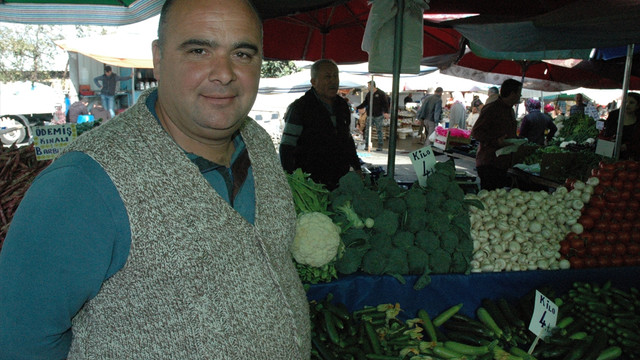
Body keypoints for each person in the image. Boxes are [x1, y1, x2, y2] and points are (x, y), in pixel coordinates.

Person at [0, 0, 311, 358]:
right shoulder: (83, 185)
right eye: (199, 50)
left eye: (242, 53)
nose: (224, 73)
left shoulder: (256, 141)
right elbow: (19, 338)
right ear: (159, 59)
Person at [280, 59, 362, 190]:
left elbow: (347, 140)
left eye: (335, 76)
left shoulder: (342, 106)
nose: (333, 81)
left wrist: (357, 167)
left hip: (339, 179)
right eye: (327, 77)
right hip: (310, 182)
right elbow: (286, 147)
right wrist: (290, 179)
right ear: (314, 82)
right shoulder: (300, 108)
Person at [471, 79, 522, 191]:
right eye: (519, 93)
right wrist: (496, 141)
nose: (520, 96)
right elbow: (476, 132)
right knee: (489, 197)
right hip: (489, 163)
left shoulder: (510, 110)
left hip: (502, 163)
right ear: (513, 94)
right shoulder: (492, 109)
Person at [603, 92, 640, 159]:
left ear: (638, 106)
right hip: (609, 154)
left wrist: (628, 146)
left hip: (630, 159)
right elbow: (605, 133)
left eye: (631, 103)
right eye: (625, 101)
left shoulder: (638, 121)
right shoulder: (613, 115)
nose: (627, 104)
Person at [356, 81, 390, 151]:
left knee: (379, 130)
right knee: (367, 130)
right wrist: (358, 107)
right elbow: (365, 102)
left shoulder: (381, 93)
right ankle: (366, 145)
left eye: (368, 85)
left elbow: (385, 103)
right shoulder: (369, 94)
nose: (367, 87)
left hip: (378, 115)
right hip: (370, 115)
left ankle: (380, 146)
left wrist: (386, 112)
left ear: (372, 86)